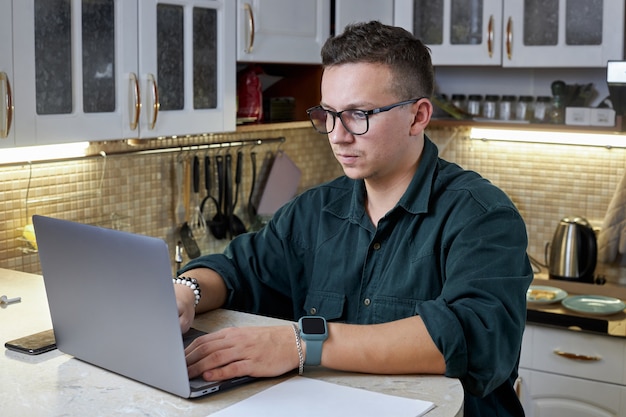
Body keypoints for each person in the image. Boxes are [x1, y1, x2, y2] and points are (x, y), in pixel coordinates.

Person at [176, 21, 532, 416]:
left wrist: (300, 342)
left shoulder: (482, 216)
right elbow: (235, 271)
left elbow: (472, 335)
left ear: (418, 117)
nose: (337, 135)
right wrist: (185, 292)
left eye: (358, 114)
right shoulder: (314, 211)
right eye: (328, 114)